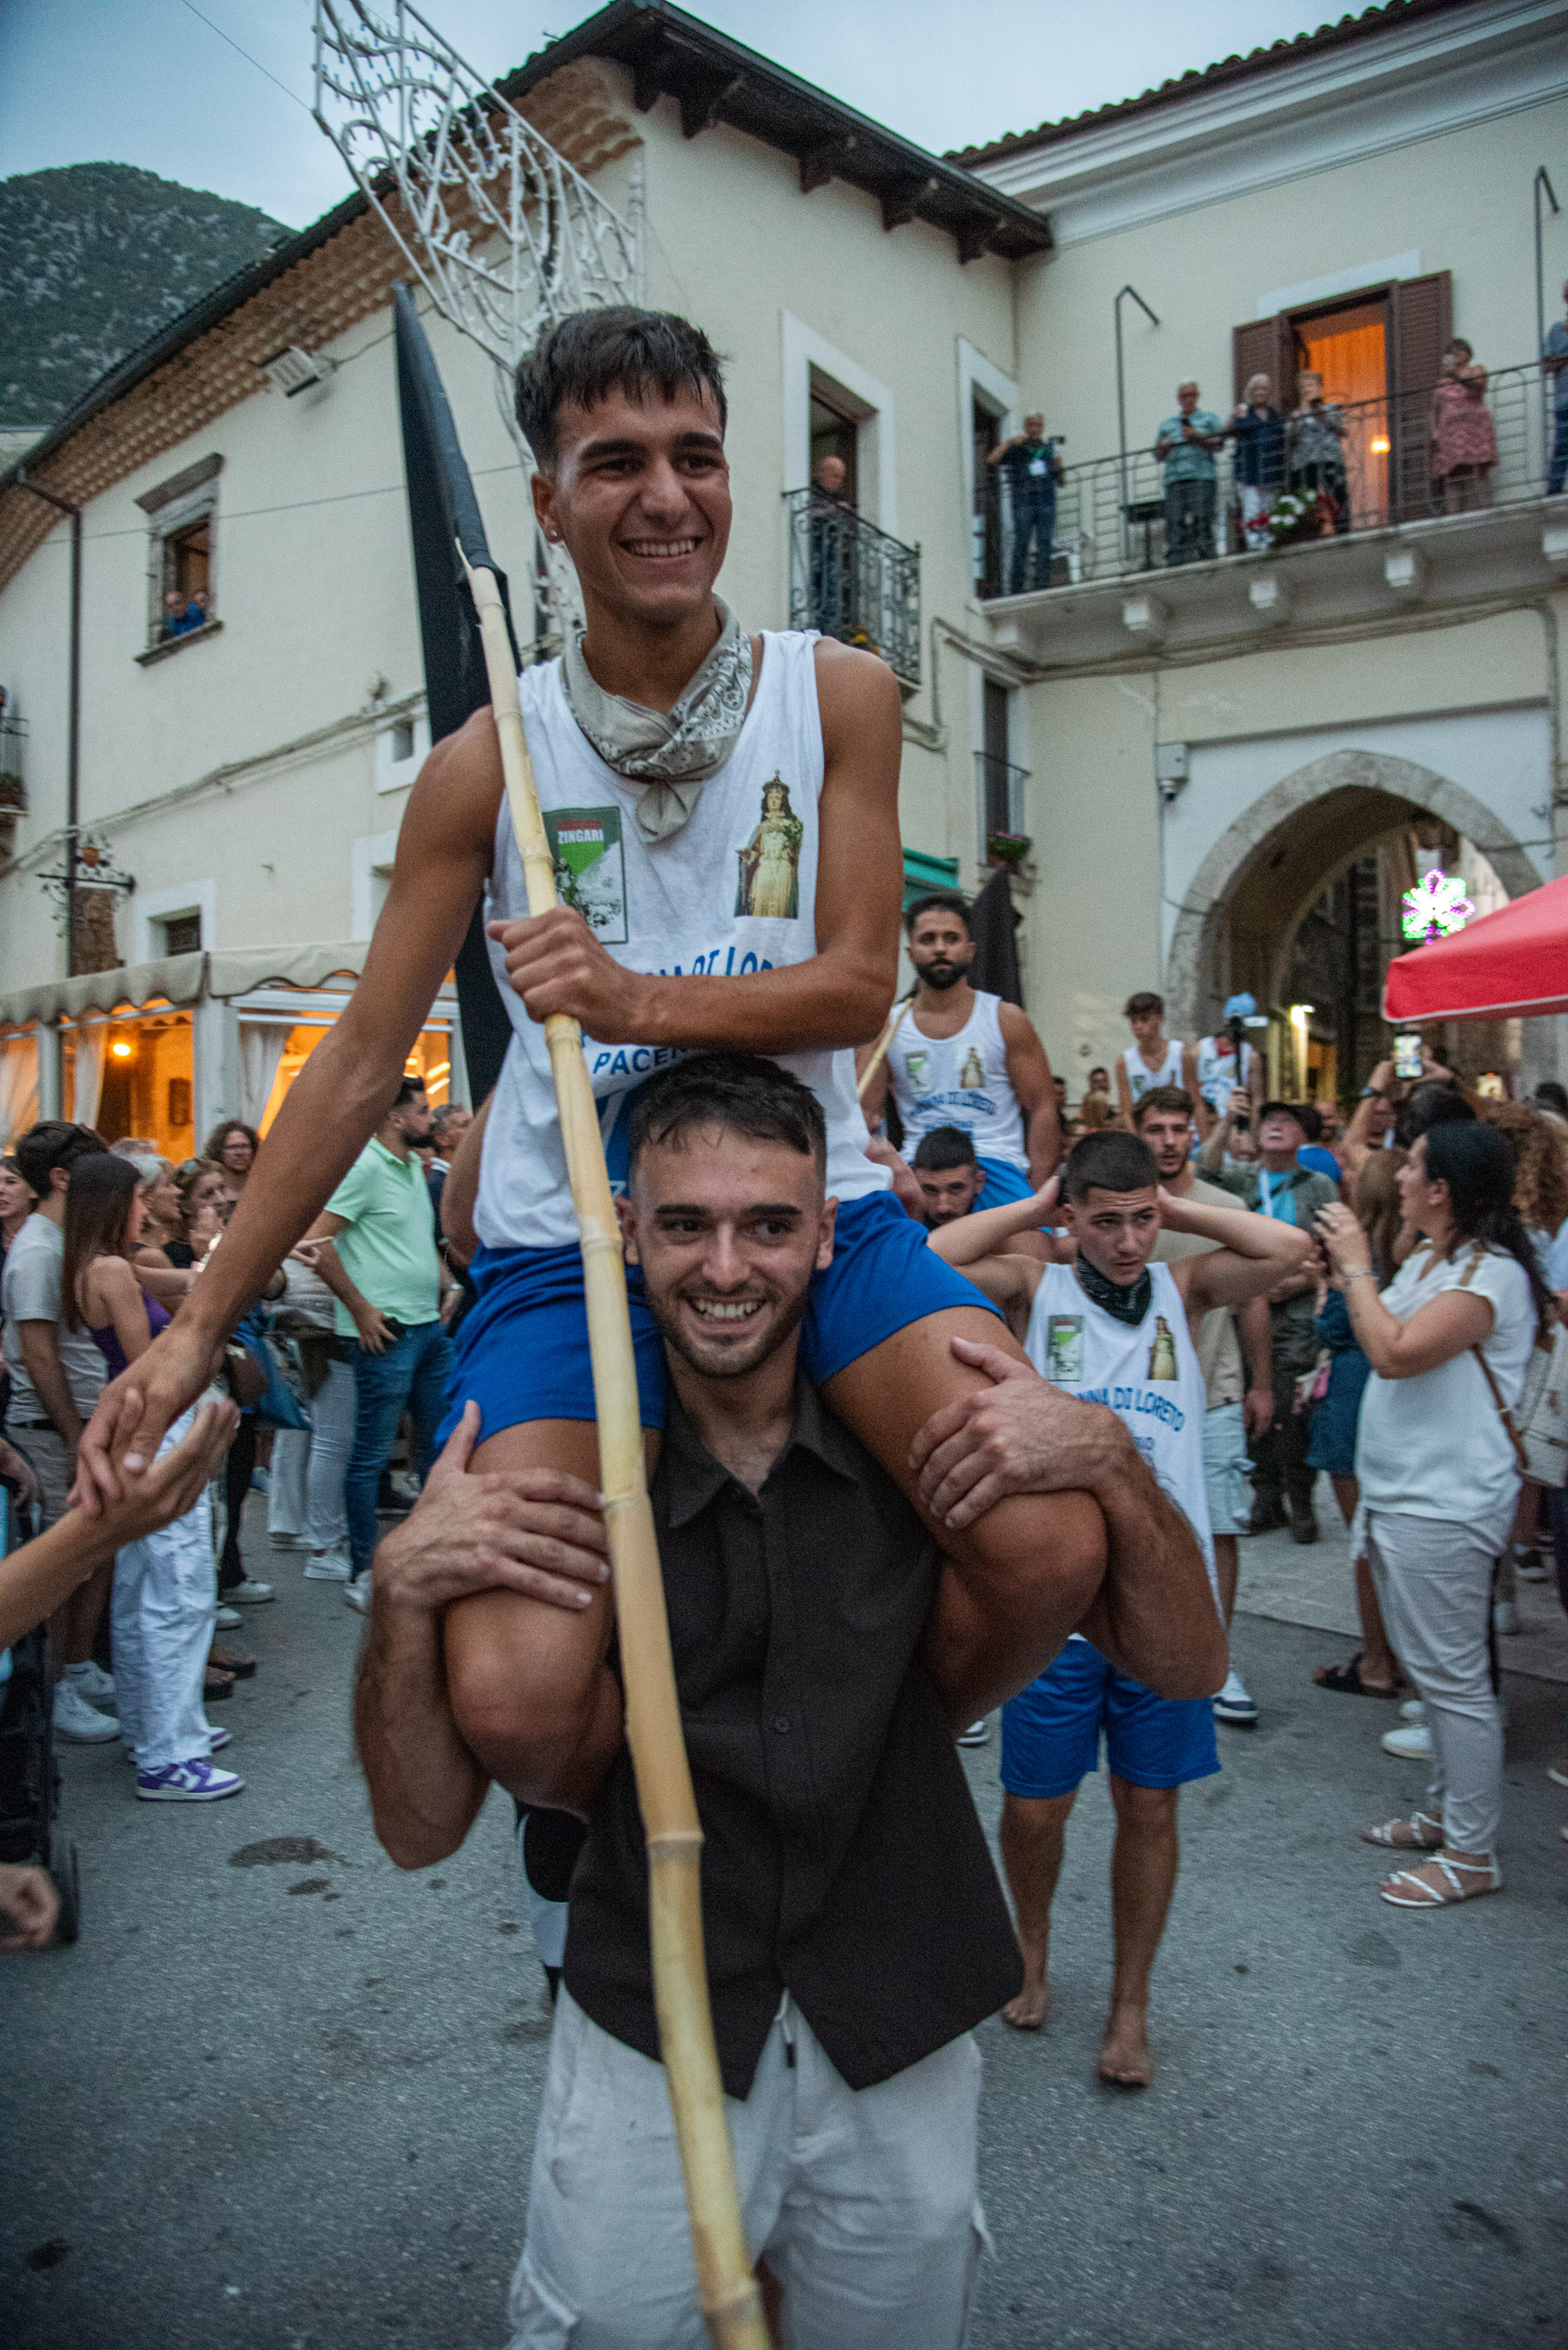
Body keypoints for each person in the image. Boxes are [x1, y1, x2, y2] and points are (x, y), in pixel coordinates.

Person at [77, 306, 1131, 1810]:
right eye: (614, 461)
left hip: (819, 1211)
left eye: (694, 456)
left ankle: (837, 1780)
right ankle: (645, 1837)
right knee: (510, 1692)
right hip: (561, 1244)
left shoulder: (833, 695)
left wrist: (628, 997)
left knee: (1045, 1544)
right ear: (545, 505)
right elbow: (364, 1058)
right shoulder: (480, 766)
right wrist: (193, 1332)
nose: (664, 497)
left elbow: (851, 986)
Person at [356, 1056, 1225, 2344]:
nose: (724, 1267)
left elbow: (1188, 1666)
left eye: (767, 1224)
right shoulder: (552, 1471)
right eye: (685, 1226)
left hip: (899, 2001)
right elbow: (418, 1830)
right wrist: (398, 1601)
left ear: (829, 1236)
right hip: (654, 2013)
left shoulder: (927, 1444)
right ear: (624, 1236)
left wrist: (1105, 1451)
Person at [928, 1127, 1310, 2080]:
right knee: (1036, 1808)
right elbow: (929, 1256)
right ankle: (1030, 1948)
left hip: (1159, 1599)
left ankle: (1128, 2007)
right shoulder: (1037, 1286)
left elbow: (1286, 1252)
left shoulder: (1181, 1292)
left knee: (1149, 1807)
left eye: (1142, 1222)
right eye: (1109, 1223)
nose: (1129, 1242)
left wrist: (1174, 1204)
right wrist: (1039, 1203)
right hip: (1056, 1603)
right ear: (1071, 1217)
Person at [1317, 1123, 1545, 1908]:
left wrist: (1354, 1269)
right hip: (1405, 1497)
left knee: (1455, 1684)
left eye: (1412, 1166)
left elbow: (1395, 1351)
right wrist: (1359, 1275)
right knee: (1438, 1674)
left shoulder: (1495, 1277)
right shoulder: (1432, 1257)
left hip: (1446, 1505)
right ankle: (1450, 1815)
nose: (1400, 1177)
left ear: (1442, 1188)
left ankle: (1474, 1855)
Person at [63, 1156, 242, 1801]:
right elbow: (146, 1362)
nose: (149, 1204)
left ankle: (157, 1729)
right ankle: (169, 1754)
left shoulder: (103, 1263)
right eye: (141, 1195)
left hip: (148, 1429)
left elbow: (187, 1282)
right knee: (176, 1590)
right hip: (159, 1428)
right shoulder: (110, 1268)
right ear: (116, 1203)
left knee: (147, 1591)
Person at [1134, 1086, 1274, 1727]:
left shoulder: (1223, 1209)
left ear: (1196, 1133)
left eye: (1178, 1128)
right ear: (1137, 1133)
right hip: (1139, 1399)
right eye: (1155, 1128)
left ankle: (1217, 1661)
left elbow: (1255, 1299)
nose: (1167, 1140)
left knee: (1218, 1529)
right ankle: (1147, 1651)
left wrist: (1262, 1382)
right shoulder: (1123, 1210)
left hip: (1214, 1393)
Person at [299, 1075, 456, 1614]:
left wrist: (449, 1283)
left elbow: (421, 1240)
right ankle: (362, 1571)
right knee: (369, 1457)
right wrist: (361, 1309)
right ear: (394, 1118)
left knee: (438, 1444)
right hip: (385, 1331)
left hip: (429, 1329)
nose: (430, 1119)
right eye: (422, 1110)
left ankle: (436, 1555)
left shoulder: (414, 1166)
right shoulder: (365, 1167)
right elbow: (313, 1243)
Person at [1, 1122, 119, 1742]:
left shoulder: (58, 1240)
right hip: (50, 1428)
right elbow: (39, 1356)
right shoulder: (39, 1251)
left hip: (75, 1422)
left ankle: (75, 1666)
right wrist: (75, 1437)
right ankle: (55, 1690)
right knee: (57, 1564)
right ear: (62, 1178)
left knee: (91, 1556)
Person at [860, 891, 1061, 1205]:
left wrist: (1036, 1192)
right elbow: (866, 1116)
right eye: (928, 939)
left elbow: (1043, 1106)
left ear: (970, 950)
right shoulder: (886, 1027)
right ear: (910, 952)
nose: (940, 948)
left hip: (995, 1161)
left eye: (951, 938)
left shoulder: (1006, 1019)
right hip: (918, 1168)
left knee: (1030, 1251)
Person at [1201, 1098, 1339, 1541]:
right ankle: (1265, 1497)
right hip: (1244, 1308)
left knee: (1292, 1409)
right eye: (1269, 1121)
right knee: (1252, 1400)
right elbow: (1203, 1168)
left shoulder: (1318, 1185)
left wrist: (1296, 1282)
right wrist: (1227, 1118)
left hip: (1294, 1312)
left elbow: (1330, 1246)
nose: (1276, 1127)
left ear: (1304, 1136)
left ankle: (1300, 1499)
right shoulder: (1242, 1176)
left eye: (1287, 1122)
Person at [1311, 1151, 1409, 1701]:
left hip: (1353, 1400)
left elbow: (1332, 1327)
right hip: (1395, 1400)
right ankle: (1402, 1652)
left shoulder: (1361, 1258)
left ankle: (1378, 1657)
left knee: (1367, 1545)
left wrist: (1327, 1289)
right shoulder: (1421, 1258)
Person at [265, 1244, 354, 1581]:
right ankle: (318, 1541)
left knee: (312, 1435)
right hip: (316, 1330)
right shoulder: (313, 1223)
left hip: (312, 1328)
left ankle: (297, 1527)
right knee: (327, 1440)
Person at [986, 412, 1065, 594]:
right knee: (1022, 542)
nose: (1034, 429)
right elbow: (992, 459)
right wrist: (1010, 442)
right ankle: (1017, 586)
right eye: (1031, 426)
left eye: (1038, 425)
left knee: (1044, 541)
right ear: (1025, 428)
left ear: (1042, 427)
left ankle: (1042, 583)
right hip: (1023, 501)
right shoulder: (1016, 450)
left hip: (1046, 500)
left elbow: (1061, 482)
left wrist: (1059, 466)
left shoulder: (1049, 450)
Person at [1154, 382, 1224, 567]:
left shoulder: (1209, 419)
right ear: (1179, 399)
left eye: (1192, 395)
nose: (1189, 399)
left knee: (1202, 517)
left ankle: (1205, 556)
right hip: (1174, 478)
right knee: (1175, 520)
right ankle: (1176, 561)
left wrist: (1197, 436)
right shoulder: (1167, 424)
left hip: (1202, 475)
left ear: (1198, 396)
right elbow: (1157, 456)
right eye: (1185, 396)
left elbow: (1219, 443)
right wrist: (1163, 447)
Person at [1431, 339, 1498, 514]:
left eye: (1462, 349)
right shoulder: (1443, 383)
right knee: (1452, 475)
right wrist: (1435, 432)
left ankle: (1487, 508)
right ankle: (1454, 514)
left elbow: (1478, 387)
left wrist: (1457, 375)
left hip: (1475, 428)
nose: (1458, 352)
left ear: (1469, 354)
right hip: (1450, 433)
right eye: (1454, 350)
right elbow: (1434, 410)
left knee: (1480, 467)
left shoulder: (1476, 370)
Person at [1116, 991, 1200, 1125]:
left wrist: (1204, 1144)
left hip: (1181, 1129)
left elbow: (1196, 1103)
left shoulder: (1181, 1054)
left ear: (1160, 1018)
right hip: (1147, 1134)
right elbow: (1127, 1111)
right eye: (1133, 1020)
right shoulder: (1124, 1062)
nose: (1138, 1026)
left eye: (1144, 1019)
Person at [1226, 376, 1285, 552]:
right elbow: (1228, 432)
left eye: (1265, 389)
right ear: (1250, 392)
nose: (1261, 392)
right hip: (1249, 471)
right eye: (1257, 389)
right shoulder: (1243, 412)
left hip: (1271, 470)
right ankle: (1254, 546)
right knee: (1252, 510)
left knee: (1270, 509)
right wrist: (1234, 417)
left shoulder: (1275, 415)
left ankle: (1269, 542)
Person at [1192, 993, 1265, 1133]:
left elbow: (1257, 1101)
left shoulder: (1250, 1056)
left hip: (1232, 1126)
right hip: (1202, 1124)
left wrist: (1252, 1135)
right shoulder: (1200, 1049)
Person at [1286, 371, 1349, 530]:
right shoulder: (1295, 414)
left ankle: (1342, 530)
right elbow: (1290, 439)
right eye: (1303, 386)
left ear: (1320, 388)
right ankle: (1313, 531)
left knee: (1338, 495)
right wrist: (1298, 416)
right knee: (1309, 500)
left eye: (1311, 385)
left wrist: (1315, 408)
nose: (1307, 389)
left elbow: (1340, 430)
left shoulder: (1331, 408)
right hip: (1304, 464)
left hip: (1330, 459)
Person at [1545, 279, 1568, 499]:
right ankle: (1553, 493)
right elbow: (1546, 366)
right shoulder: (1556, 331)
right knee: (1563, 447)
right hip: (1565, 399)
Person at [203, 1120, 260, 1205]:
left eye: (244, 1146)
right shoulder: (211, 1192)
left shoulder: (262, 1189)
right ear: (219, 1151)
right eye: (233, 1147)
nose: (239, 1152)